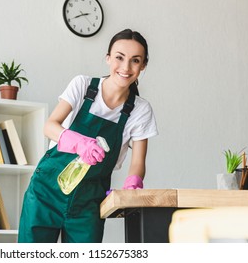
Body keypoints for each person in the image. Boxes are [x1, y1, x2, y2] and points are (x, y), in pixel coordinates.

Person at [18, 29, 158, 243]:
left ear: (143, 65)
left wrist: (133, 184)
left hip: (88, 204)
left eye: (135, 60)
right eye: (119, 57)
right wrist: (77, 142)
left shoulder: (140, 110)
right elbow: (49, 126)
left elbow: (138, 163)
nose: (126, 67)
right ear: (108, 58)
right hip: (46, 193)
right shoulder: (83, 86)